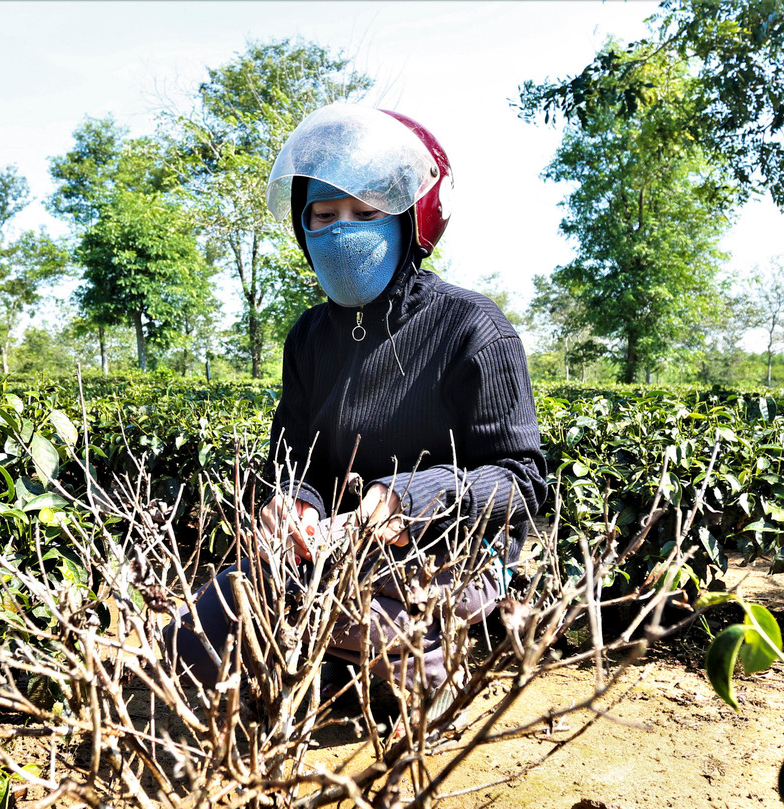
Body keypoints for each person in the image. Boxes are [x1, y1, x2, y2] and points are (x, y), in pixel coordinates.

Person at [167, 103, 547, 696]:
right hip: (331, 549)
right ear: (303, 225)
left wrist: (410, 500)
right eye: (324, 214)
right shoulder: (310, 339)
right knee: (194, 640)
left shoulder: (473, 328)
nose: (343, 229)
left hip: (447, 550)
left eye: (366, 212)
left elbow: (520, 480)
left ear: (409, 219)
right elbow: (295, 463)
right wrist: (292, 504)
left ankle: (444, 644)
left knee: (397, 687)